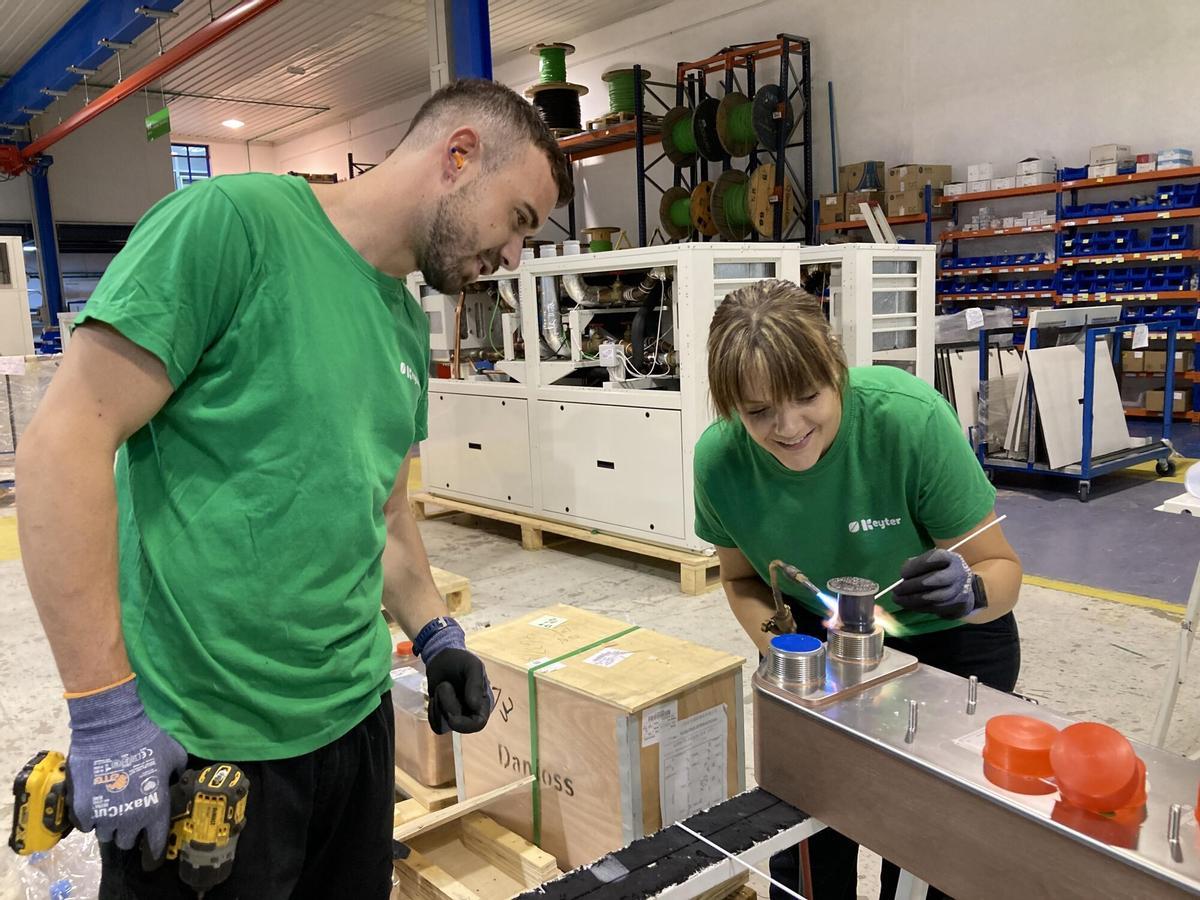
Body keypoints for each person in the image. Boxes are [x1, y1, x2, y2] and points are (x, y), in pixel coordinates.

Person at [16, 78, 571, 898]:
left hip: (354, 731)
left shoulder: (401, 326)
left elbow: (384, 512)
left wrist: (438, 635)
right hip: (209, 751)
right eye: (518, 220)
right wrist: (103, 708)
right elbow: (63, 446)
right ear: (459, 156)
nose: (515, 256)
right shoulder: (233, 227)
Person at [694, 279, 1022, 900]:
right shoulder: (721, 462)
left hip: (948, 642)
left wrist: (971, 592)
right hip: (816, 649)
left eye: (807, 397)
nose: (789, 428)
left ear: (835, 368)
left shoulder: (909, 421)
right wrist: (785, 647)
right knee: (809, 841)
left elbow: (1002, 570)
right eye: (758, 412)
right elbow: (740, 579)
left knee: (930, 851)